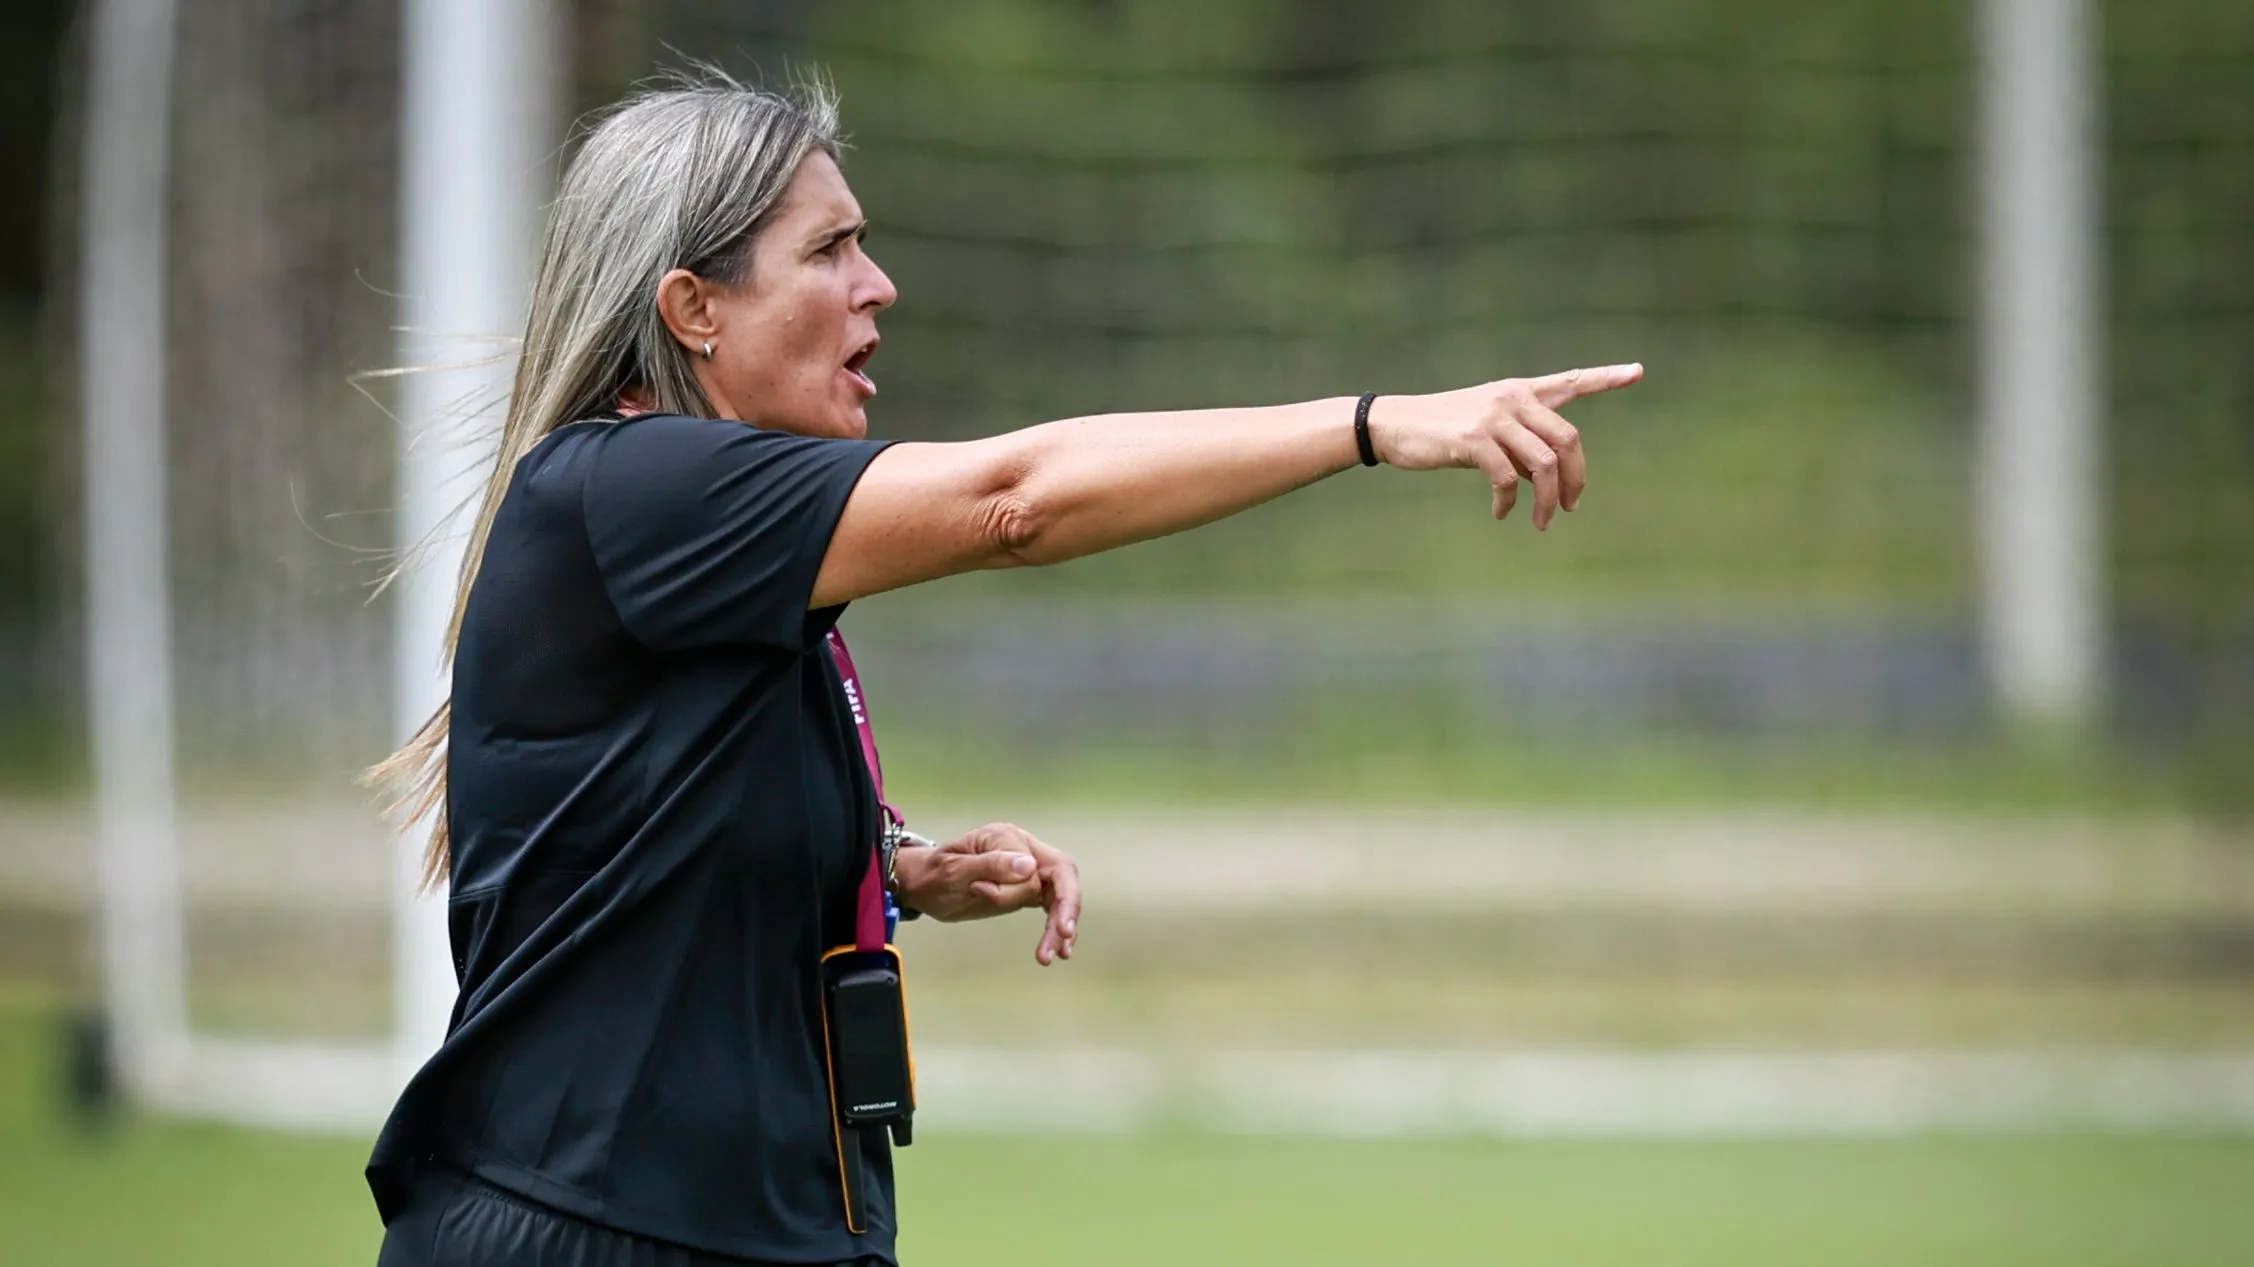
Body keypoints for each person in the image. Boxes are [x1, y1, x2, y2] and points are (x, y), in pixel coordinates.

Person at [365, 71, 1641, 1267]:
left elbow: (655, 838)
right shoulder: (630, 486)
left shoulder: (703, 535)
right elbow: (1014, 501)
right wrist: (1378, 424)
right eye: (828, 251)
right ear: (693, 308)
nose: (879, 286)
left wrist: (893, 869)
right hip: (590, 1230)